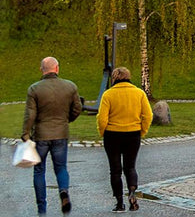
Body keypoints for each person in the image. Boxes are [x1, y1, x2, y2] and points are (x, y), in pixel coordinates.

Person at [22, 55, 84, 216]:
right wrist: (66, 120)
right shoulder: (70, 87)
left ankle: (41, 209)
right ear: (57, 68)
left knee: (39, 170)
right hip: (60, 134)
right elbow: (77, 108)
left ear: (41, 69)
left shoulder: (34, 89)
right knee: (61, 167)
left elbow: (30, 114)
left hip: (41, 135)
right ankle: (63, 191)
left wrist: (25, 134)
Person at [96, 67, 153, 213]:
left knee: (115, 170)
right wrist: (142, 131)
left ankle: (119, 202)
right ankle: (132, 192)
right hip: (133, 134)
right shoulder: (139, 93)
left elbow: (102, 118)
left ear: (114, 78)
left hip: (112, 135)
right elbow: (148, 115)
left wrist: (102, 132)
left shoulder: (108, 94)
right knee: (130, 167)